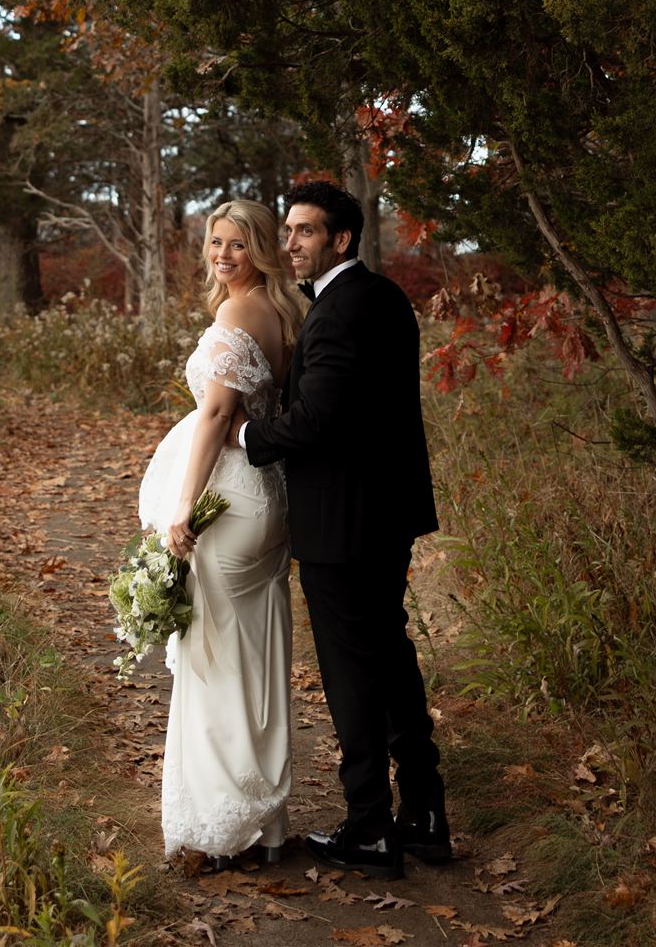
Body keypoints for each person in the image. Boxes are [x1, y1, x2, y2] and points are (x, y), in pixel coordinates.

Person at [234, 179, 450, 880]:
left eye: (302, 231)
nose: (288, 243)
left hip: (343, 523)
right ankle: (421, 813)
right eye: (289, 230)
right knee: (388, 657)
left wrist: (244, 436)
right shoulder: (381, 298)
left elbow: (317, 420)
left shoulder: (341, 311)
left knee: (352, 673)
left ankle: (369, 828)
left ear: (340, 239)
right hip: (384, 512)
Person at [137, 199, 305, 866]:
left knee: (212, 661)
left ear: (260, 249)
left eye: (237, 244)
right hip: (265, 497)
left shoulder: (239, 311)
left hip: (231, 500)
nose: (222, 255)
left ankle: (217, 829)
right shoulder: (281, 309)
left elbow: (214, 415)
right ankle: (262, 824)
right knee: (251, 656)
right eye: (214, 242)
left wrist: (181, 506)